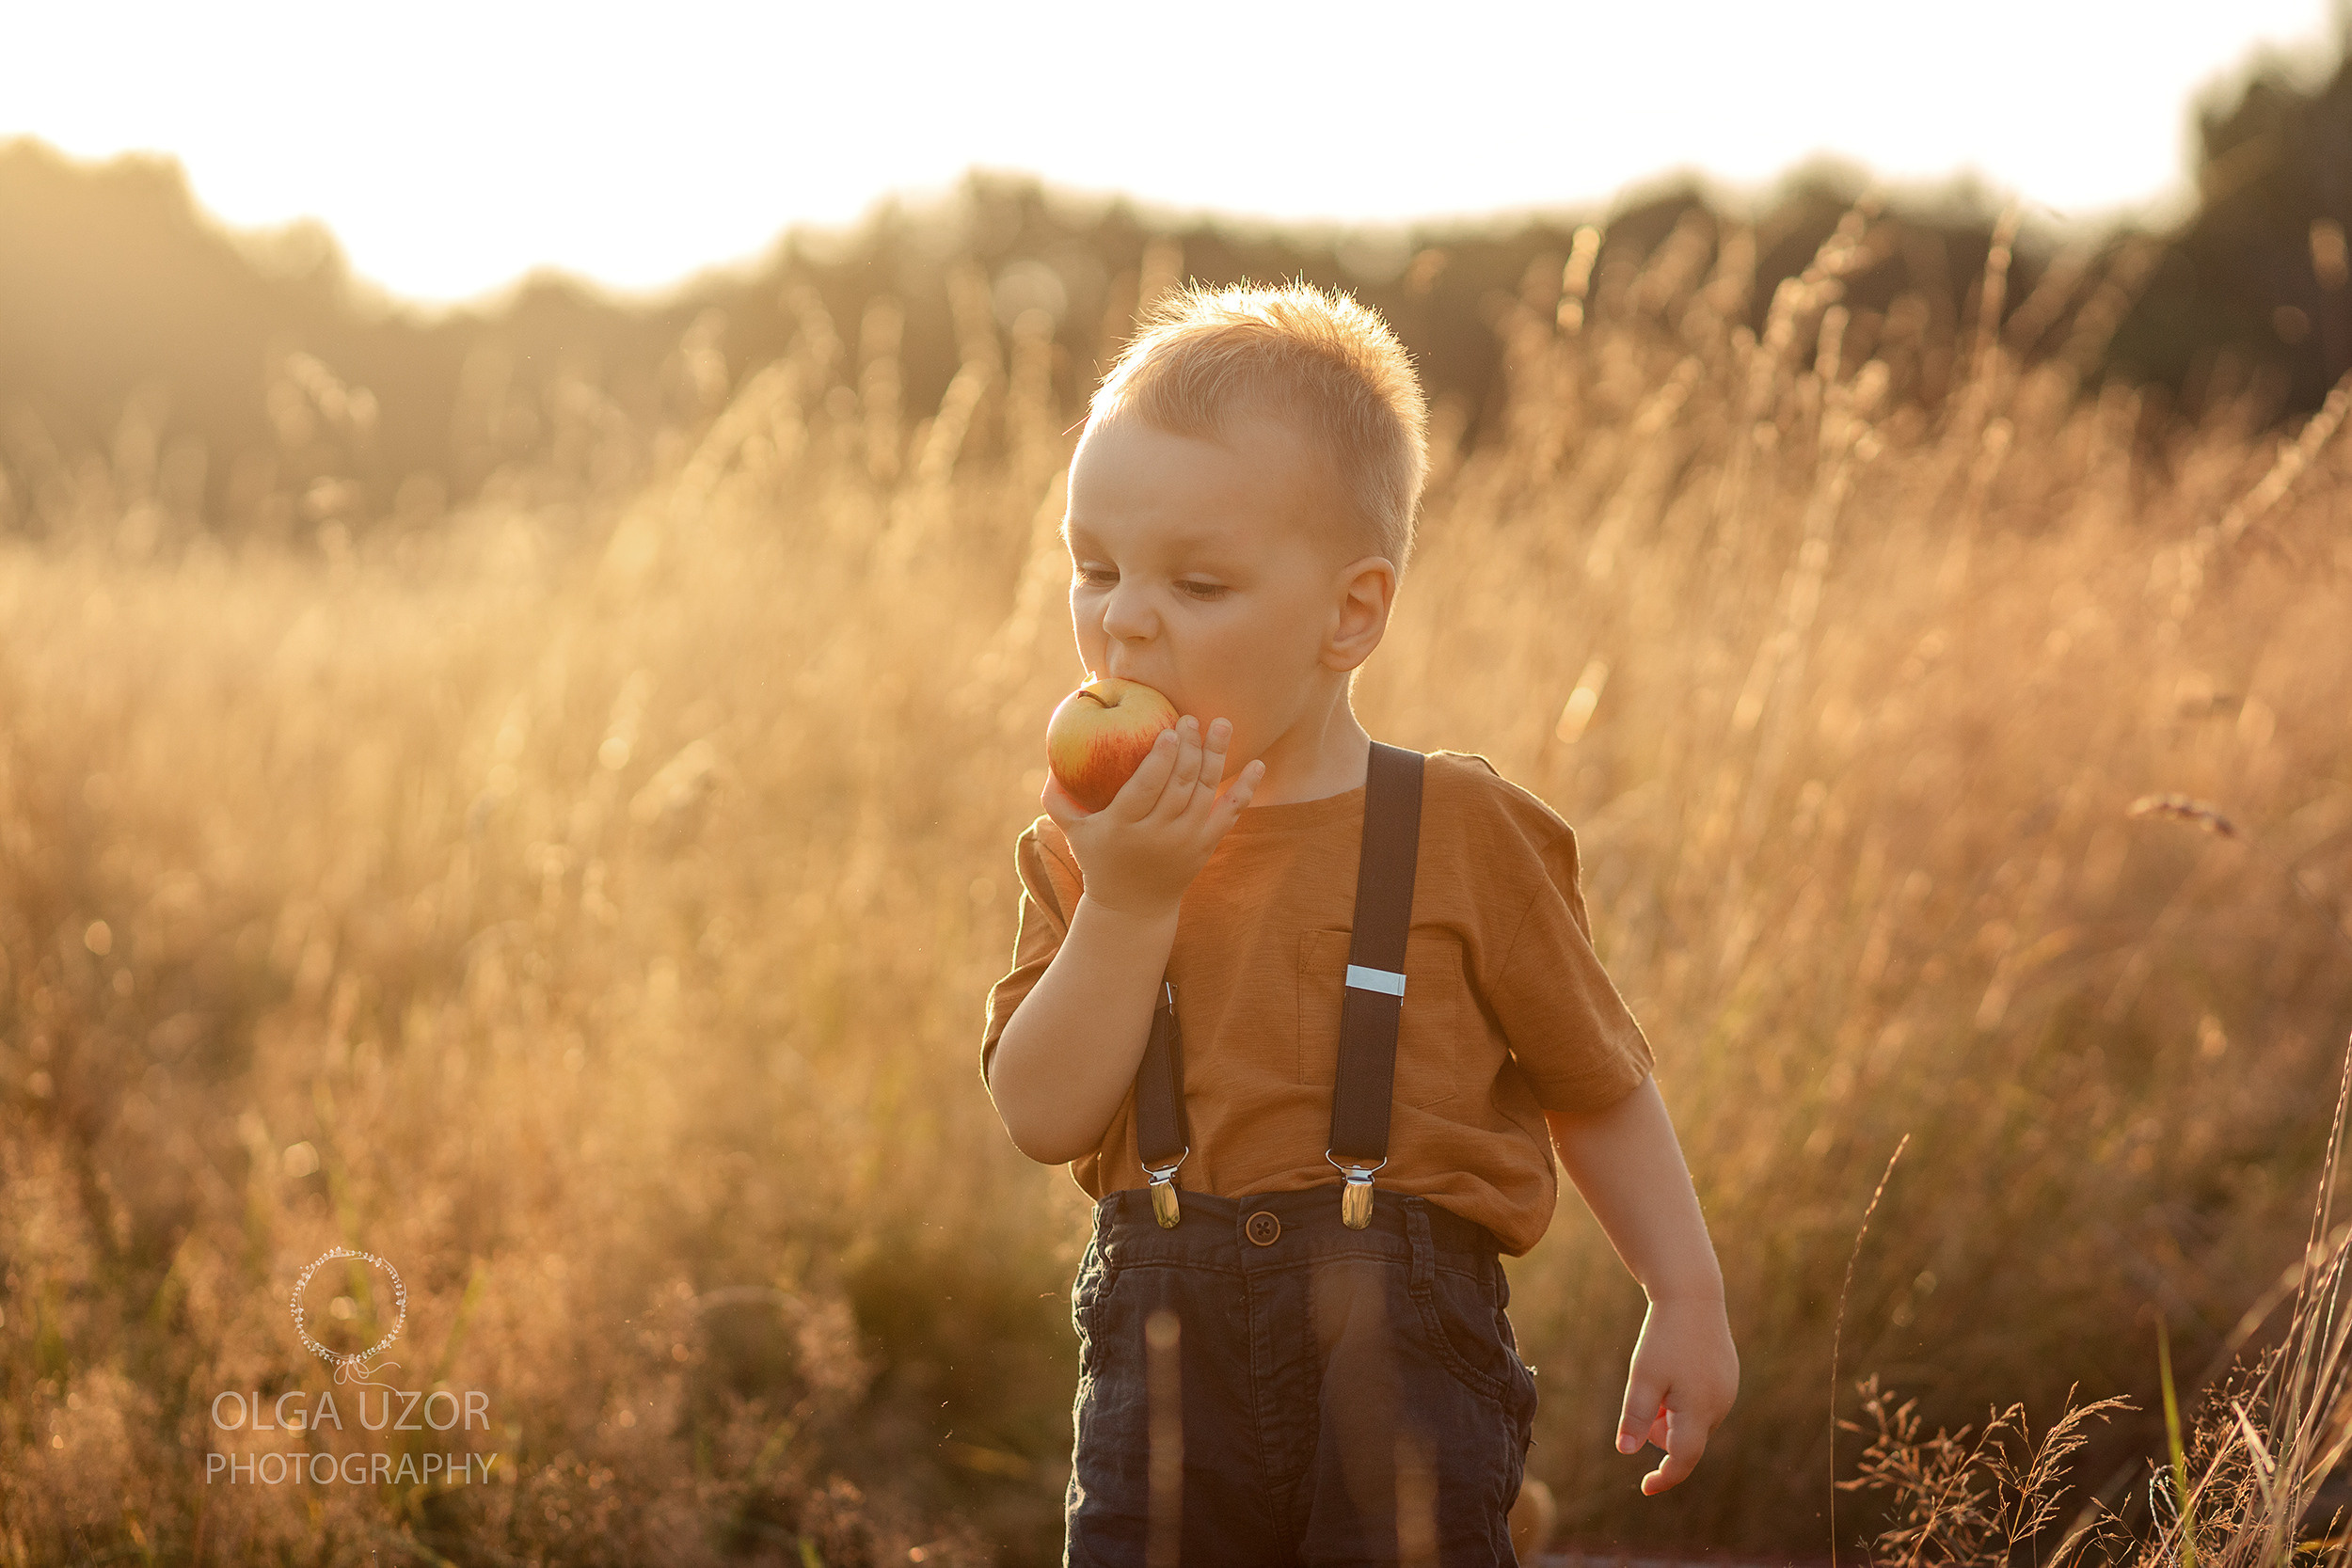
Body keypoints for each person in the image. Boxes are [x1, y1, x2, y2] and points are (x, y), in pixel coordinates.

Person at [981, 278, 1738, 1567]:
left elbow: (1593, 1081)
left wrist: (1684, 1291)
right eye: (1094, 569)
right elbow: (1043, 1115)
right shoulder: (1087, 846)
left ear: (1351, 612)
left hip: (1405, 1356)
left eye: (1199, 582)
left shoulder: (1460, 831)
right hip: (1160, 1366)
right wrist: (1130, 902)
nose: (1127, 618)